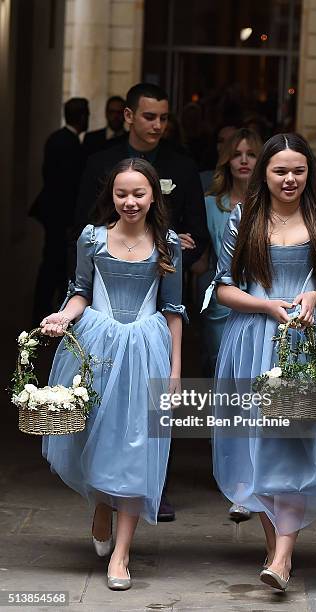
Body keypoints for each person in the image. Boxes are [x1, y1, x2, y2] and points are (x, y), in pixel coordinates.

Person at [203, 133, 316, 591]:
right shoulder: (243, 219)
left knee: (294, 445)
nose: (290, 179)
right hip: (253, 340)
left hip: (310, 340)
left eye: (298, 170)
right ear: (263, 173)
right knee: (259, 449)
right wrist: (264, 305)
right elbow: (222, 287)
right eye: (280, 170)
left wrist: (314, 297)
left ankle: (282, 557)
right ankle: (277, 552)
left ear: (310, 172)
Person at [41, 158, 185, 590]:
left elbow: (173, 311)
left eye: (139, 193)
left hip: (146, 348)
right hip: (98, 346)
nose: (130, 202)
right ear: (111, 196)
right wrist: (63, 317)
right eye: (122, 194)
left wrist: (175, 370)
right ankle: (101, 504)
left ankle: (122, 556)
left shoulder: (168, 243)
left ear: (154, 196)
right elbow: (80, 291)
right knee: (96, 435)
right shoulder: (93, 239)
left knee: (136, 443)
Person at [74, 83, 209, 274]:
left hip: (165, 275)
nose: (158, 126)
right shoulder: (100, 163)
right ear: (129, 116)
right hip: (107, 270)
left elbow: (197, 234)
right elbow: (84, 224)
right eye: (149, 117)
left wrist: (167, 260)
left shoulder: (183, 166)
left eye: (163, 118)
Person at [203, 127, 263, 523]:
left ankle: (254, 481)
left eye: (252, 154)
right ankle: (233, 473)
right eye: (237, 153)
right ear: (227, 158)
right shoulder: (212, 203)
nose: (244, 159)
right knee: (228, 392)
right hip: (223, 307)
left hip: (263, 306)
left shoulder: (271, 206)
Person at [30, 97, 90, 324]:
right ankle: (44, 309)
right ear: (83, 117)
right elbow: (66, 186)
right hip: (60, 215)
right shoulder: (69, 144)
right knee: (54, 261)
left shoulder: (56, 138)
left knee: (52, 260)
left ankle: (47, 307)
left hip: (53, 213)